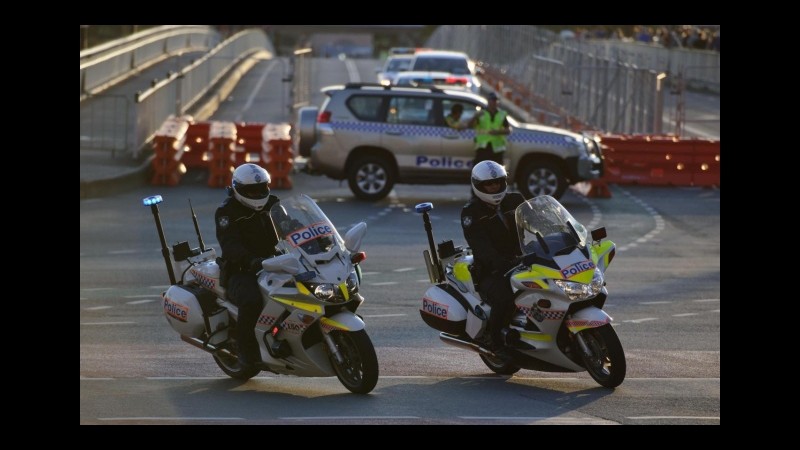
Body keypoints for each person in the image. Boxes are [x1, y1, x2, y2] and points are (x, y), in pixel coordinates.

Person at [215, 163, 281, 369]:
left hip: (274, 263)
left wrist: (320, 241)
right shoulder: (227, 212)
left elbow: (293, 225)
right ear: (239, 189)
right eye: (252, 190)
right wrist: (250, 260)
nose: (258, 193)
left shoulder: (273, 204)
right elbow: (229, 245)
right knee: (251, 301)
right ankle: (247, 351)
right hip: (242, 270)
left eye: (261, 188)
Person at [461, 160, 525, 355]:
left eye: (498, 182)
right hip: (492, 271)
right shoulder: (471, 213)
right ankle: (496, 341)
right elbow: (481, 247)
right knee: (505, 297)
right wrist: (501, 263)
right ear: (479, 186)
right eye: (489, 184)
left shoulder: (515, 200)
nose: (495, 187)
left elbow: (538, 222)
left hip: (524, 260)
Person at [466, 92, 511, 167]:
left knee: (497, 172)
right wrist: (475, 116)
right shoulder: (481, 113)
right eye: (492, 100)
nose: (494, 102)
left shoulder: (501, 114)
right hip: (483, 147)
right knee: (481, 170)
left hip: (497, 149)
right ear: (488, 101)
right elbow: (469, 125)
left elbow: (508, 130)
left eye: (495, 100)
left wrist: (498, 132)